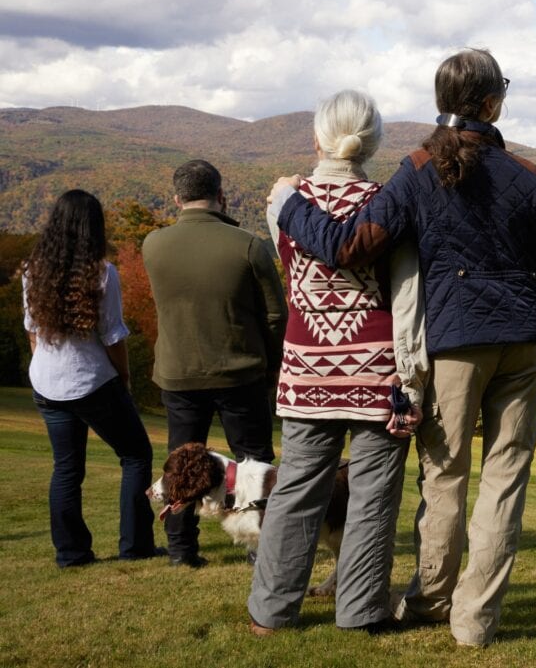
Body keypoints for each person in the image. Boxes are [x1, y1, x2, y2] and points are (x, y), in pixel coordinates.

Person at [269, 48, 536, 647]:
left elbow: (349, 247)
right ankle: (476, 621)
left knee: (445, 476)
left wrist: (290, 206)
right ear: (491, 103)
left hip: (456, 342)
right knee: (506, 480)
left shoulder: (418, 170)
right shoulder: (528, 176)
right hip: (524, 338)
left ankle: (431, 599)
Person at [248, 90, 428, 635]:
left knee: (296, 490)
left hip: (307, 368)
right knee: (373, 496)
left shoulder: (284, 202)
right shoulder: (387, 204)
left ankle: (271, 612)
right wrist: (413, 380)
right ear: (374, 142)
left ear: (317, 138)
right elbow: (407, 297)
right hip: (378, 370)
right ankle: (361, 611)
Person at [143, 159, 286, 568]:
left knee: (179, 461)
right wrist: (272, 363)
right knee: (255, 460)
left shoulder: (153, 244)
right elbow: (276, 315)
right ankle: (264, 546)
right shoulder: (247, 245)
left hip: (178, 370)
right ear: (221, 195)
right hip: (240, 370)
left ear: (176, 198)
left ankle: (182, 550)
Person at [22, 189, 162, 567]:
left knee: (67, 468)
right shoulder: (102, 273)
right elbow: (113, 335)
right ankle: (135, 546)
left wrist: (46, 371)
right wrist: (125, 380)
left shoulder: (33, 270)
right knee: (135, 455)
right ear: (93, 228)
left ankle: (71, 553)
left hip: (47, 382)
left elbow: (32, 330)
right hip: (91, 381)